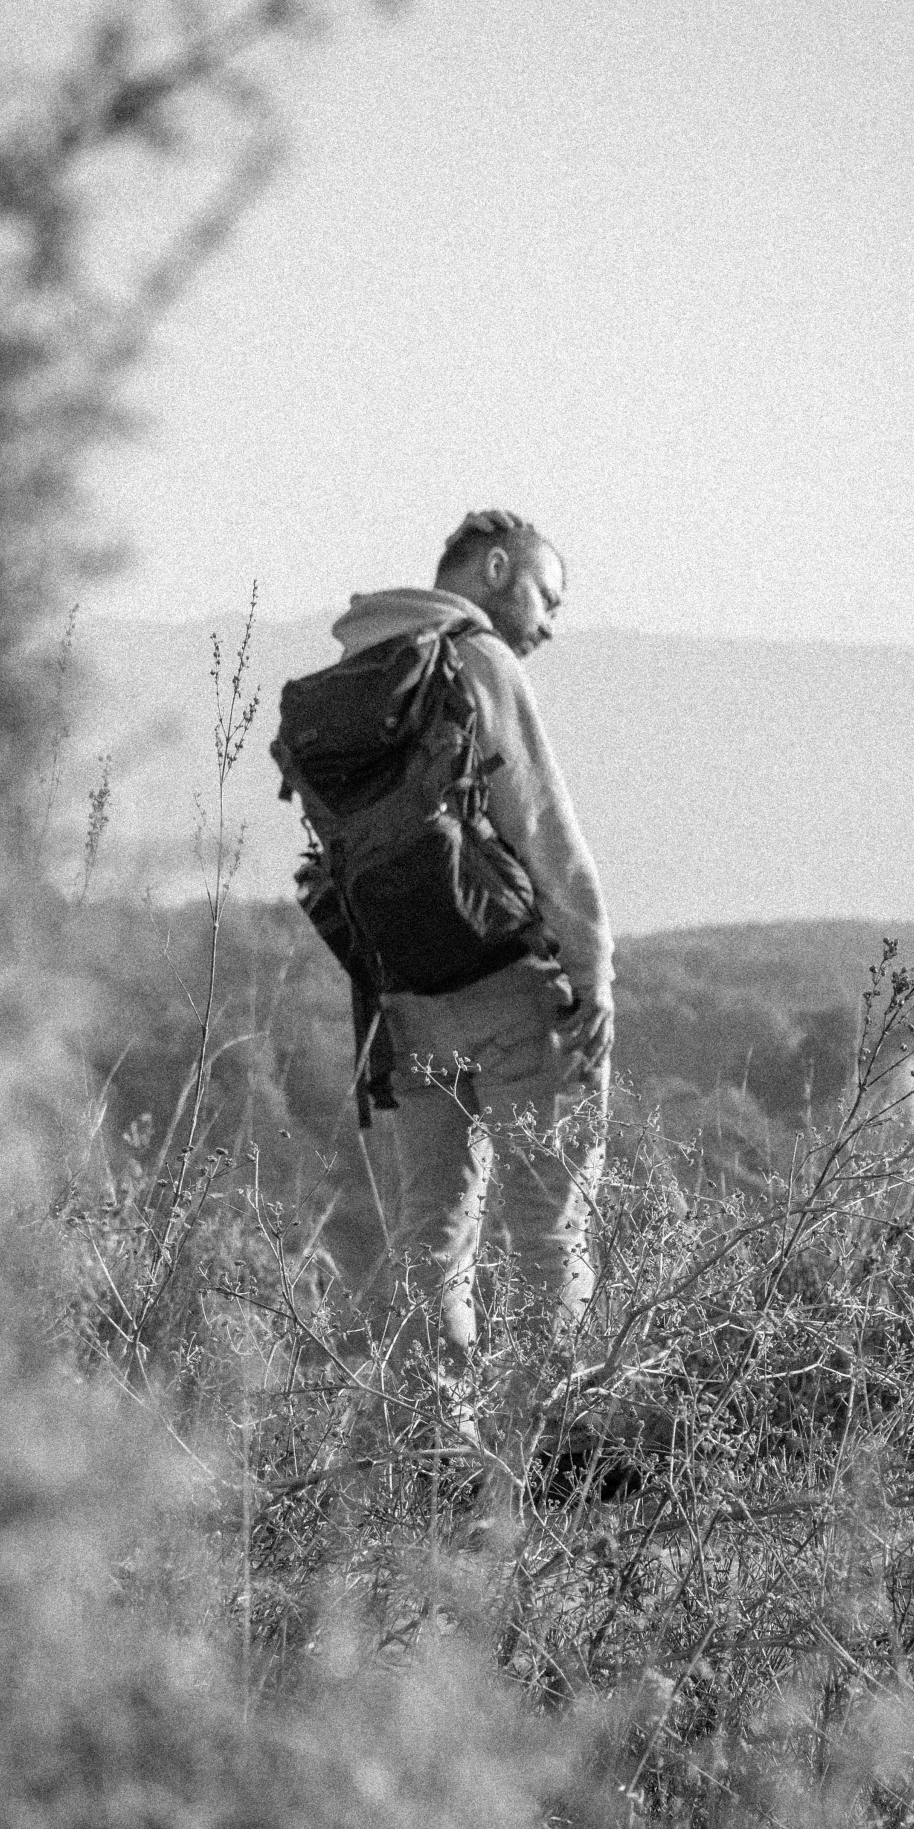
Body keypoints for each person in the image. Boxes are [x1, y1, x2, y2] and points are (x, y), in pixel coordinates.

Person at [330, 509, 615, 1416]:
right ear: (496, 569)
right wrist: (595, 974)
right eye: (545, 595)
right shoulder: (476, 659)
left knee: (432, 1233)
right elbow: (545, 833)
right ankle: (548, 1436)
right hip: (503, 987)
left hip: (403, 1000)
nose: (549, 624)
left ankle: (440, 1439)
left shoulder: (359, 670)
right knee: (550, 1222)